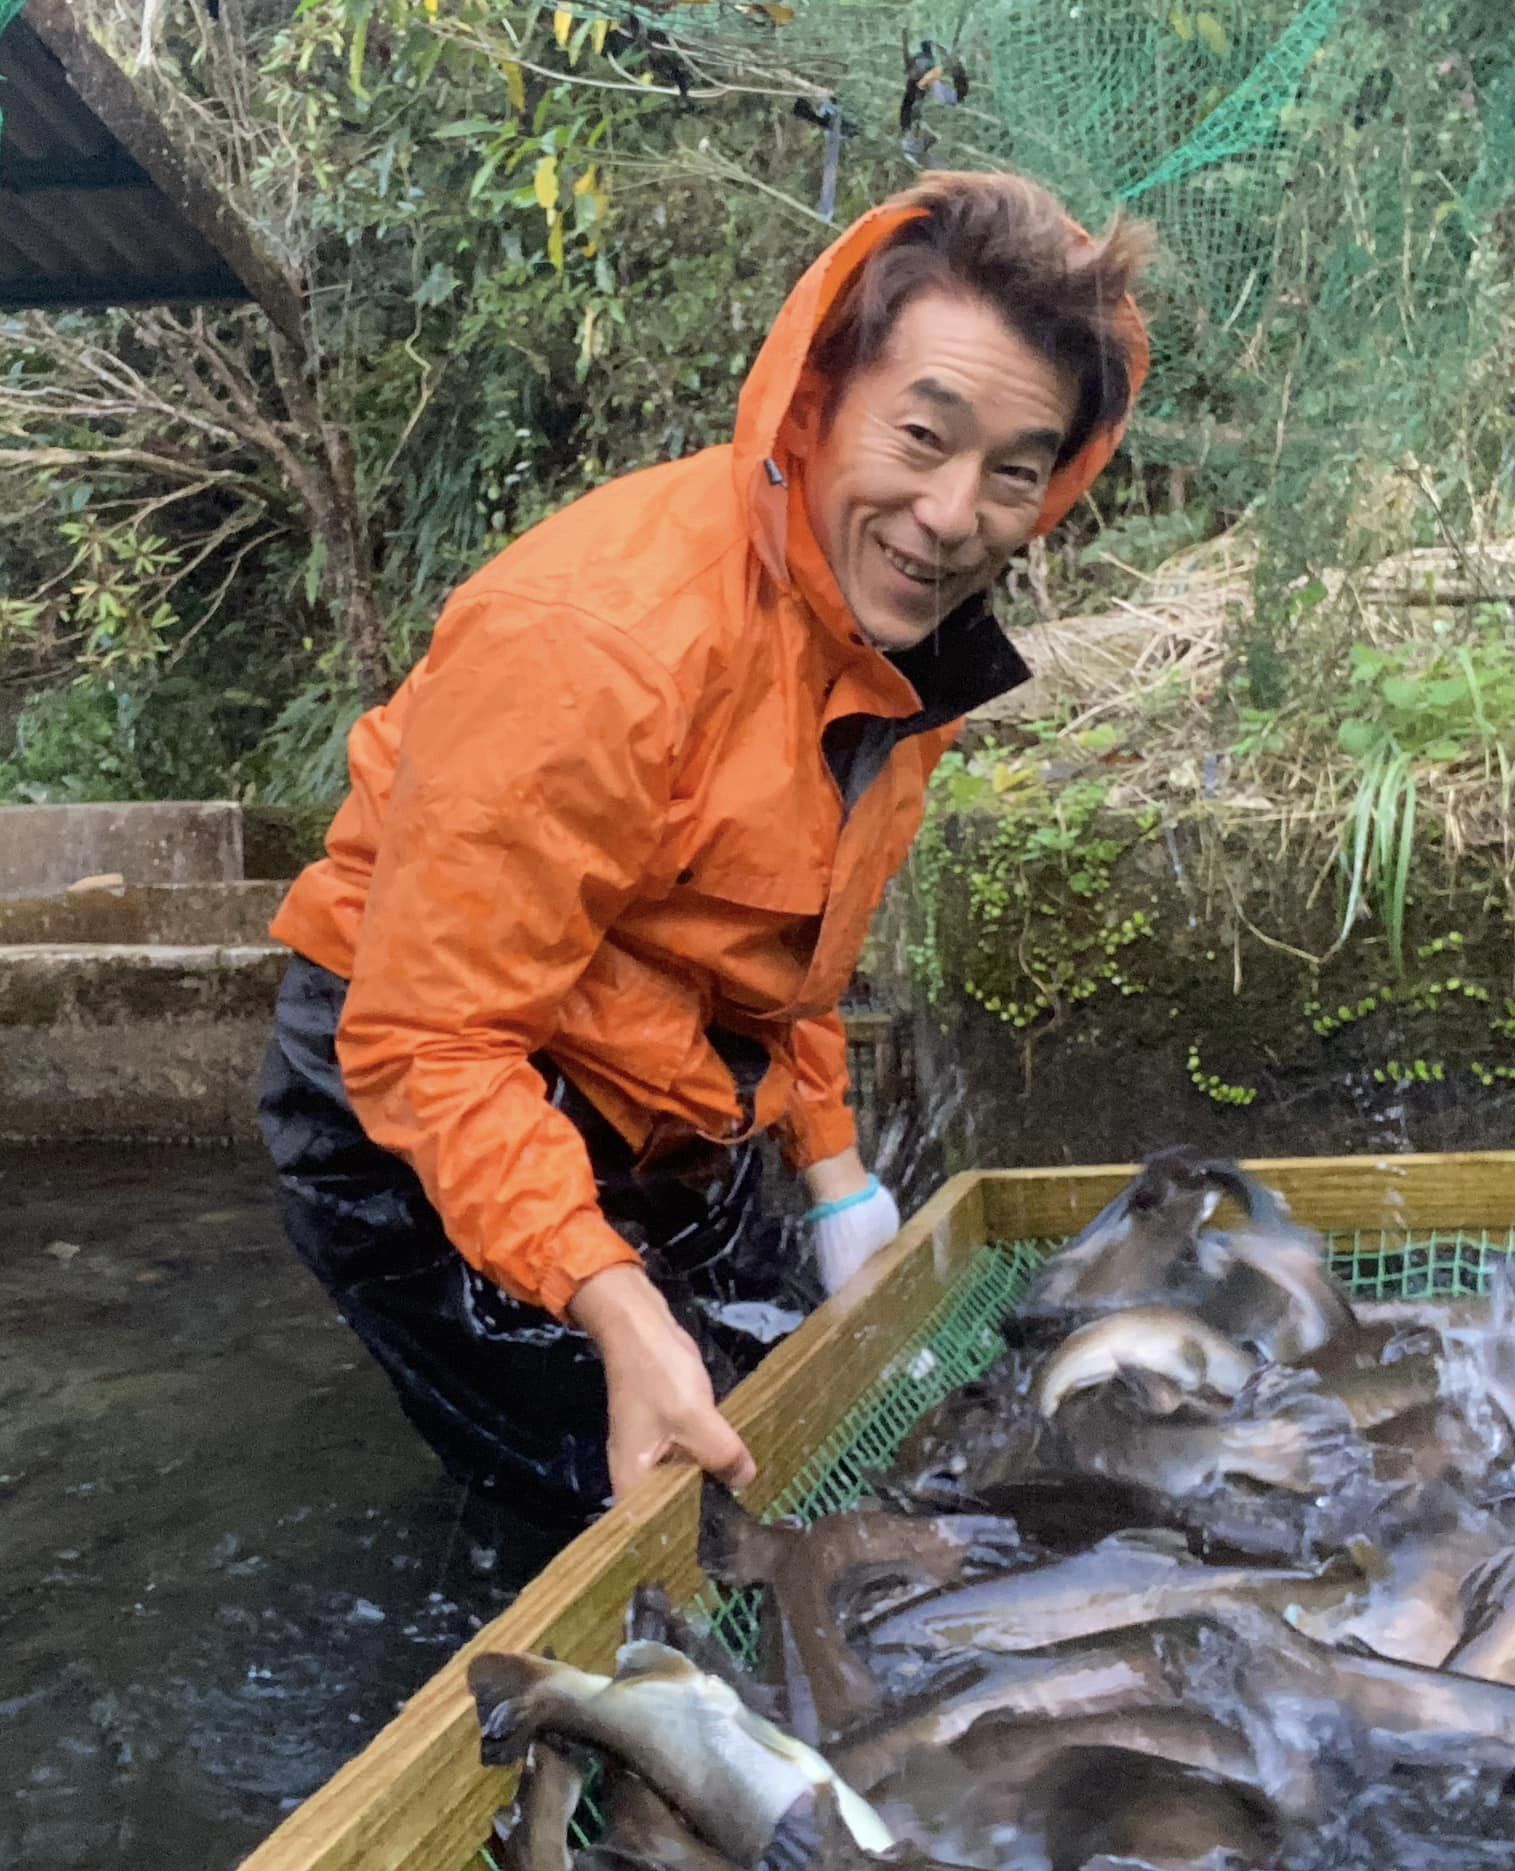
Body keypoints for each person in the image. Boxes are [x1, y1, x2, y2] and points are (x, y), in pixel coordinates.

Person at [256, 170, 1152, 1529]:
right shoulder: (593, 645)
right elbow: (428, 1045)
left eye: (1012, 474)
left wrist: (838, 1174)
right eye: (923, 435)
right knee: (675, 1510)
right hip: (413, 1096)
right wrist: (614, 1309)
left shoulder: (898, 648)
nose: (953, 513)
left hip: (658, 1086)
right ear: (820, 401)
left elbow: (784, 958)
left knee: (856, 1414)